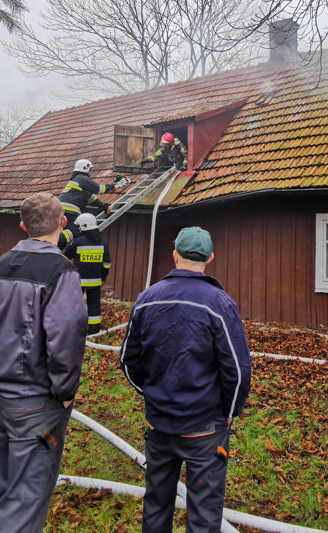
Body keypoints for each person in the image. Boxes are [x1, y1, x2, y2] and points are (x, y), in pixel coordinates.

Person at [120, 226, 252, 532]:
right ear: (210, 258)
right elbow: (237, 369)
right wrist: (231, 411)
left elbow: (128, 360)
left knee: (156, 505)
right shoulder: (220, 304)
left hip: (160, 424)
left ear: (175, 255)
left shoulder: (145, 299)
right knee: (204, 515)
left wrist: (152, 393)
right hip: (204, 430)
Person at [0, 192, 87, 533]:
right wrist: (66, 389)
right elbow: (66, 335)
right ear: (62, 223)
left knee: (6, 482)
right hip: (36, 400)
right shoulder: (60, 271)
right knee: (28, 493)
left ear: (22, 225)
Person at [57, 159, 128, 249]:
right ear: (85, 168)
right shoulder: (82, 178)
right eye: (90, 169)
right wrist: (115, 186)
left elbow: (91, 199)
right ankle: (56, 243)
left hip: (61, 209)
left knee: (65, 230)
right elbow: (99, 189)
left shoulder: (79, 180)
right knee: (75, 230)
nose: (90, 172)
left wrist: (104, 207)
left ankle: (58, 246)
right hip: (69, 210)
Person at [64, 213, 111, 335]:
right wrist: (103, 276)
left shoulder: (78, 242)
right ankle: (94, 330)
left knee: (76, 304)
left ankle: (75, 328)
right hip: (95, 281)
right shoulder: (103, 243)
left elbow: (66, 255)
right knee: (94, 305)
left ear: (83, 227)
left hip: (79, 281)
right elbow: (107, 263)